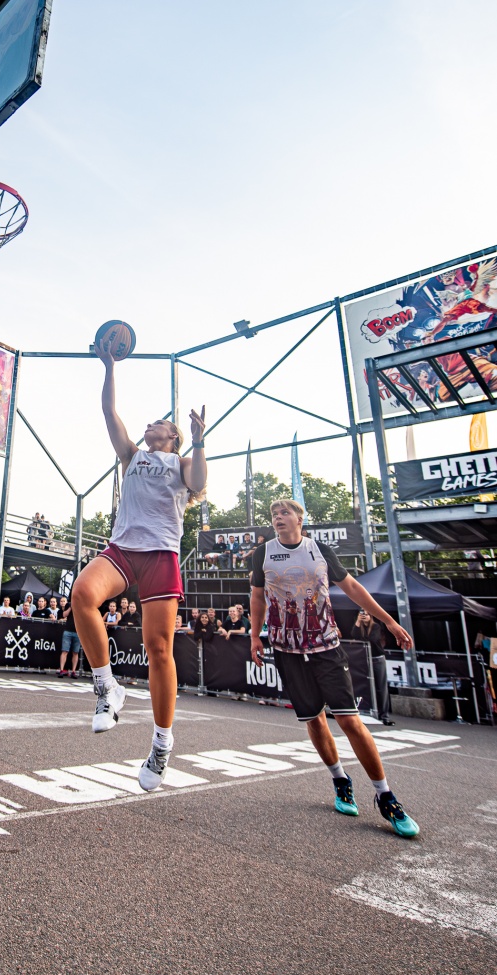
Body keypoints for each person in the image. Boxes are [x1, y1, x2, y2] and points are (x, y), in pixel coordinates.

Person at [71, 345, 207, 792]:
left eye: (158, 423)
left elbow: (199, 482)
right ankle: (106, 687)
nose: (150, 424)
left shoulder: (182, 462)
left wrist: (200, 441)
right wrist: (110, 367)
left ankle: (162, 743)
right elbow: (109, 412)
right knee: (82, 595)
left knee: (159, 649)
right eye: (149, 422)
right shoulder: (132, 455)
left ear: (172, 436)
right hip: (123, 548)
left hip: (161, 555)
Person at [249, 497, 419, 838]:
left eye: (284, 512)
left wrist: (388, 621)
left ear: (300, 519)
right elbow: (256, 596)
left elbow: (352, 587)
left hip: (326, 646)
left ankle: (385, 795)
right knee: (314, 719)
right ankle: (340, 780)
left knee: (349, 720)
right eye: (274, 514)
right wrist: (255, 635)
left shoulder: (319, 550)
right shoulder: (263, 553)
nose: (278, 517)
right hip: (286, 649)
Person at [59, 601, 82, 678]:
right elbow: (64, 615)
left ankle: (73, 671)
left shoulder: (81, 604)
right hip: (68, 630)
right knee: (64, 651)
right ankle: (61, 670)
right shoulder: (68, 604)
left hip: (77, 631)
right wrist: (71, 607)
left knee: (75, 652)